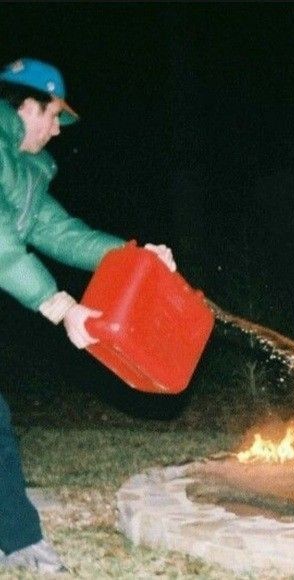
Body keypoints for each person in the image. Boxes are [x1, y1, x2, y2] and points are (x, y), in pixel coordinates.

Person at [0, 58, 177, 573]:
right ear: (27, 105)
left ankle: (16, 538)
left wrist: (137, 258)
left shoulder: (21, 171)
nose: (58, 129)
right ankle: (19, 540)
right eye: (54, 114)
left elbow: (61, 233)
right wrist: (60, 306)